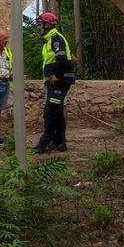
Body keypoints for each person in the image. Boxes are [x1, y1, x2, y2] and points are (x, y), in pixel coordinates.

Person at [33, 12, 75, 154]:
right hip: (56, 81)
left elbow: (62, 59)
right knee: (56, 112)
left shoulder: (56, 39)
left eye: (41, 24)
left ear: (48, 25)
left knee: (50, 111)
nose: (39, 27)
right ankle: (60, 142)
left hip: (59, 81)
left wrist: (57, 75)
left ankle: (46, 142)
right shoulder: (49, 40)